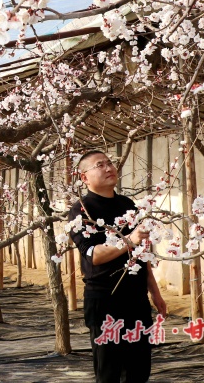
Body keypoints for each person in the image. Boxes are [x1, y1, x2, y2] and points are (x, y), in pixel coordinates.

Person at [68, 150, 167, 383]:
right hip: (104, 299)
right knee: (109, 371)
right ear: (84, 177)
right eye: (99, 165)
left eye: (109, 162)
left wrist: (154, 291)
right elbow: (93, 255)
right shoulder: (81, 209)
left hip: (136, 298)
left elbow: (140, 253)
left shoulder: (127, 204)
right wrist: (129, 240)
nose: (108, 168)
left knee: (139, 369)